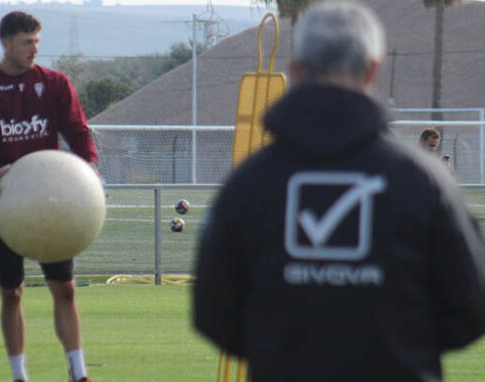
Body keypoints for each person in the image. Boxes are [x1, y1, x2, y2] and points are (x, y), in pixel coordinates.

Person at [193, 2, 485, 381]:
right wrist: (401, 347)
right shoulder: (423, 179)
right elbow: (470, 307)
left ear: (295, 69)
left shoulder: (250, 182)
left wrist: (281, 350)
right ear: (372, 70)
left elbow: (214, 312)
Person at [0, 11, 97, 382]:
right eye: (26, 42)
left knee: (65, 289)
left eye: (37, 41)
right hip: (7, 204)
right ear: (6, 44)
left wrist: (89, 170)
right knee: (12, 293)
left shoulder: (54, 83)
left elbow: (78, 131)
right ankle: (20, 376)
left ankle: (78, 374)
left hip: (53, 204)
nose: (33, 49)